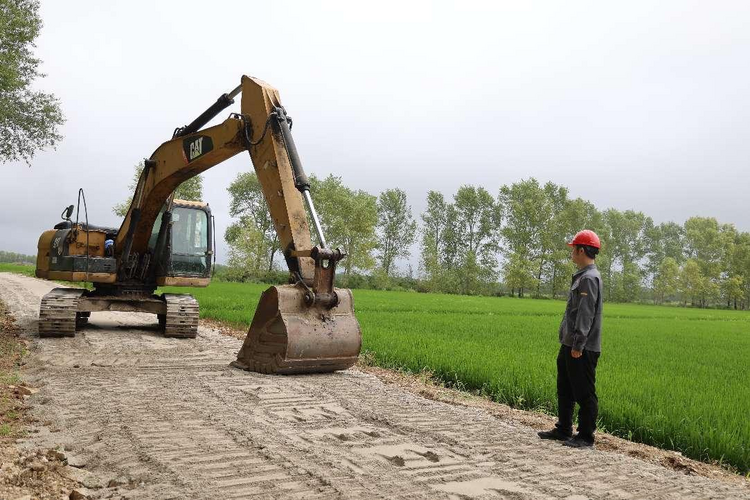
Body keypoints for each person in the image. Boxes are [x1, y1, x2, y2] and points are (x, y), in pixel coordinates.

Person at [538, 229, 603, 449]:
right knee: (564, 387)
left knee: (584, 392)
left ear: (581, 250)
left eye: (573, 249)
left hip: (582, 346)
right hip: (570, 342)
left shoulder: (589, 279)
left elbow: (586, 314)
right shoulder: (582, 276)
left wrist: (578, 344)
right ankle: (564, 429)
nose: (571, 253)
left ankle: (585, 437)